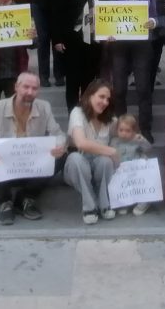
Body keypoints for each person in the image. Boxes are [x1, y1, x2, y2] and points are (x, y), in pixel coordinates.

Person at [0, 72, 68, 225]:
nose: (30, 92)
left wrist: (59, 146)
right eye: (26, 87)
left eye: (34, 88)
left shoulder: (44, 107)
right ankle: (5, 202)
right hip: (4, 169)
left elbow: (58, 134)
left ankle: (25, 197)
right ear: (16, 87)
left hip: (31, 168)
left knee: (62, 156)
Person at [52, 0, 109, 110]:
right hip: (72, 43)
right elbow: (56, 13)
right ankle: (73, 119)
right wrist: (57, 39)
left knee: (89, 85)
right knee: (73, 84)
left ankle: (86, 118)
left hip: (95, 43)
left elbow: (107, 12)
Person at [107, 0, 158, 141]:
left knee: (143, 89)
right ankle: (122, 130)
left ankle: (145, 129)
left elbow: (155, 16)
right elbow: (108, 17)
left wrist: (152, 22)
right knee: (119, 89)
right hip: (120, 46)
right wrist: (108, 33)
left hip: (142, 45)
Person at [64, 81, 120, 224]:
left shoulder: (111, 119)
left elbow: (123, 139)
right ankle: (90, 206)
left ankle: (104, 204)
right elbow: (81, 143)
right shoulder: (77, 113)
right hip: (79, 166)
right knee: (75, 158)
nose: (105, 102)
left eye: (107, 99)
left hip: (100, 167)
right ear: (89, 95)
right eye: (101, 97)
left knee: (106, 160)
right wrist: (111, 150)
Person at [109, 114, 153, 216]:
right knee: (122, 185)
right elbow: (110, 153)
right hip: (120, 170)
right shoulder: (114, 141)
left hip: (135, 171)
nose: (124, 133)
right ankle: (124, 202)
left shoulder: (137, 140)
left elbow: (148, 149)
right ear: (117, 130)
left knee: (139, 185)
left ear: (134, 131)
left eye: (128, 131)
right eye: (121, 130)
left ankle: (144, 201)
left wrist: (142, 141)